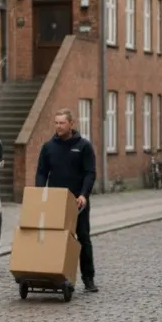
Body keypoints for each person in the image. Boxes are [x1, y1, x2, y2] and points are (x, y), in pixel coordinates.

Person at [34, 108, 98, 292]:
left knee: (83, 237)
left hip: (78, 201)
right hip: (56, 201)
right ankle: (55, 275)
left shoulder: (84, 146)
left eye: (62, 123)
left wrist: (84, 195)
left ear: (71, 124)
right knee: (55, 238)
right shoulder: (48, 147)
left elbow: (90, 173)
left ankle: (88, 278)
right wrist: (40, 193)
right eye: (56, 123)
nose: (58, 126)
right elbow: (41, 172)